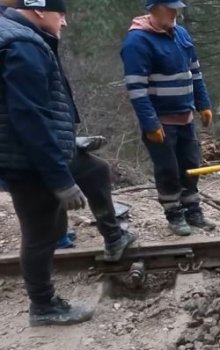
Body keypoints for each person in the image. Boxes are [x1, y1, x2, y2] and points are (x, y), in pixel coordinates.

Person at [0, 0, 96, 326]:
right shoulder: (23, 45)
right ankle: (43, 306)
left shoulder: (17, 36)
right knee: (41, 233)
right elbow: (30, 119)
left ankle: (43, 301)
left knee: (48, 229)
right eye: (61, 14)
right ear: (40, 10)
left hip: (28, 159)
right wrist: (60, 180)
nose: (65, 23)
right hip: (29, 164)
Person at [121, 0, 215, 236]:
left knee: (191, 165)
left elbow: (196, 73)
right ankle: (174, 213)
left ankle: (193, 210)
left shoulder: (181, 34)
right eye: (169, 7)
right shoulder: (137, 41)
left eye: (176, 7)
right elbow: (137, 89)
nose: (175, 12)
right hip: (161, 121)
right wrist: (150, 123)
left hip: (185, 116)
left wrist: (203, 104)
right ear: (153, 8)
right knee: (168, 169)